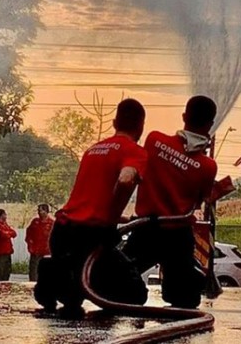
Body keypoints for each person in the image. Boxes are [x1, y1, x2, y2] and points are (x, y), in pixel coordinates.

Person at [34, 98, 148, 315]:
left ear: (114, 123)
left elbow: (88, 201)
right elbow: (125, 180)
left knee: (75, 293)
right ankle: (55, 274)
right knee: (136, 295)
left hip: (62, 233)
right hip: (90, 237)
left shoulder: (93, 150)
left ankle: (55, 275)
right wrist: (111, 222)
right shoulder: (135, 151)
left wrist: (122, 219)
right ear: (141, 126)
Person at [123, 95, 219, 309]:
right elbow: (199, 201)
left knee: (117, 276)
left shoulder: (154, 140)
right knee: (184, 299)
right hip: (177, 235)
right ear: (210, 125)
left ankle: (131, 291)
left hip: (145, 229)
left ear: (184, 116)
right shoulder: (208, 166)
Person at [26, 203, 54, 282]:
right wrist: (30, 246)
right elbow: (29, 234)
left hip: (47, 253)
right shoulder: (35, 222)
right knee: (33, 273)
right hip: (35, 252)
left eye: (40, 210)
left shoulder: (52, 223)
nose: (39, 212)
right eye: (38, 210)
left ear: (46, 211)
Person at [0, 209, 17, 281]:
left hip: (8, 251)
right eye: (5, 214)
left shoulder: (5, 225)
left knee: (7, 271)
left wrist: (8, 233)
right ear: (1, 215)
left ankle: (5, 284)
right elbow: (2, 235)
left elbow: (14, 233)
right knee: (0, 272)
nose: (6, 216)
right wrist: (8, 233)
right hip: (0, 252)